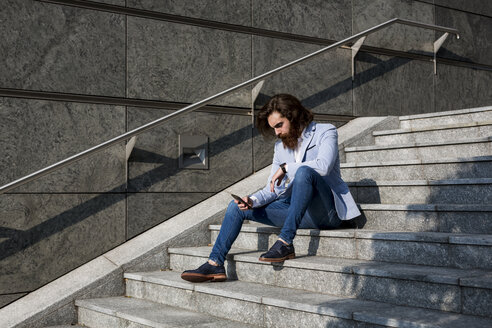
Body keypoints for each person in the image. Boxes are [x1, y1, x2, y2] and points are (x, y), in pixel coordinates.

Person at [181, 94, 360, 282]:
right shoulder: (280, 147)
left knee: (304, 173)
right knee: (236, 207)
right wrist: (253, 201)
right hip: (297, 213)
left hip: (326, 211)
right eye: (273, 127)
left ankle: (285, 242)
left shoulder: (326, 131)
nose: (276, 132)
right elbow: (272, 189)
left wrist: (287, 168)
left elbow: (324, 166)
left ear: (294, 116)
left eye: (279, 125)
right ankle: (215, 264)